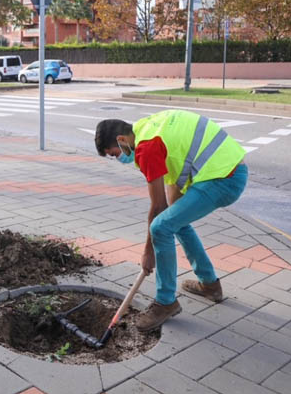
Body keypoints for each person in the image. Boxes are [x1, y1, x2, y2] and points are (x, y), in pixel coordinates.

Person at [94, 109, 248, 331]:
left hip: (224, 179)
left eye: (114, 153)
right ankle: (210, 285)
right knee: (175, 223)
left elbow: (157, 208)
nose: (118, 158)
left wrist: (148, 252)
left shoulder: (147, 148)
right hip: (226, 171)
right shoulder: (149, 127)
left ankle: (166, 302)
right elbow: (170, 196)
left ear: (121, 140)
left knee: (161, 226)